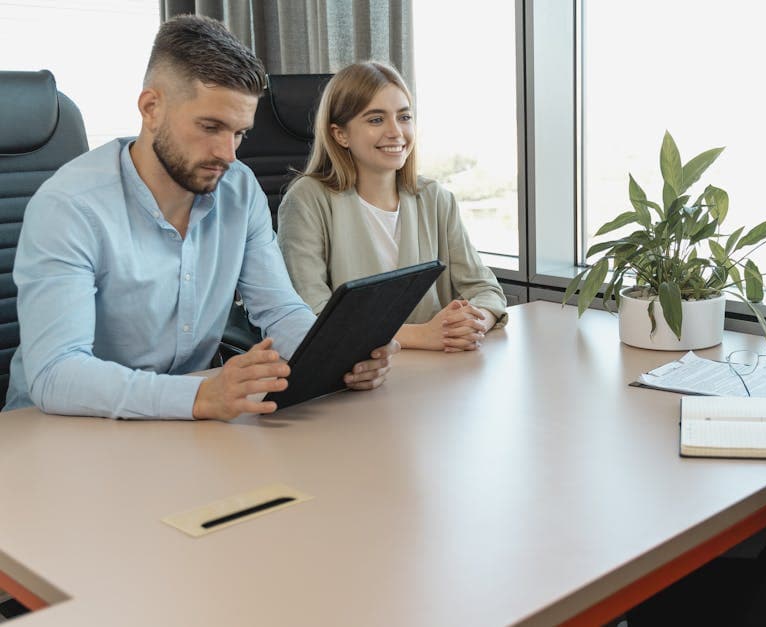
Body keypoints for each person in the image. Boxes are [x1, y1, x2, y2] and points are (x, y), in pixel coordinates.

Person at [5, 15, 397, 420]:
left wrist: (339, 358)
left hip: (181, 424)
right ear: (151, 108)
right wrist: (200, 397)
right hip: (57, 432)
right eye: (211, 127)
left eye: (240, 133)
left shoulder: (239, 189)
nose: (229, 154)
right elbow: (56, 374)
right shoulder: (70, 206)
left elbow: (279, 311)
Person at [277, 60, 507, 353]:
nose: (396, 132)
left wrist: (474, 323)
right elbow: (312, 315)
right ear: (340, 134)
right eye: (376, 119)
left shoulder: (434, 198)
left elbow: (485, 289)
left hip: (437, 369)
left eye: (404, 117)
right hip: (355, 374)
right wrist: (422, 336)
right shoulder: (307, 200)